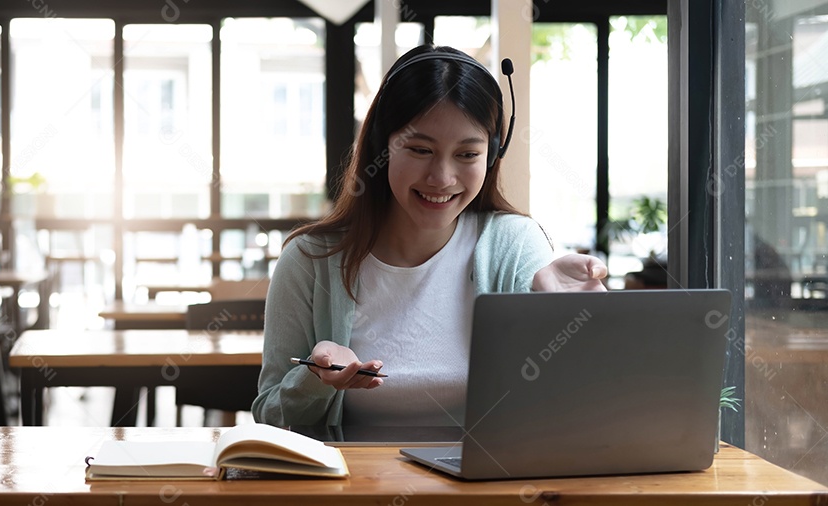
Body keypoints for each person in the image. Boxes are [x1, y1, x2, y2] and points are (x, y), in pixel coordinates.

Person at [251, 45, 608, 427]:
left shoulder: (515, 245)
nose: (442, 178)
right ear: (381, 147)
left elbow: (568, 407)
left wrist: (565, 318)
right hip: (353, 486)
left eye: (467, 154)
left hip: (482, 485)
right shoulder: (310, 261)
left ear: (491, 156)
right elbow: (270, 418)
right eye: (420, 149)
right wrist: (313, 379)